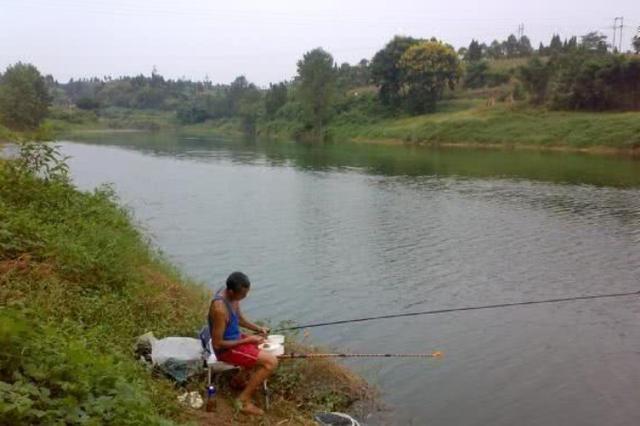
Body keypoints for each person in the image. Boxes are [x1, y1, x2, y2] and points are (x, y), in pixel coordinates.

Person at [209, 271, 278, 416]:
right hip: (226, 350)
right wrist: (248, 340)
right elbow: (217, 344)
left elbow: (239, 319)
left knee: (263, 342)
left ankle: (238, 381)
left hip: (236, 339)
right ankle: (243, 401)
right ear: (231, 291)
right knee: (271, 362)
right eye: (242, 294)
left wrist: (258, 329)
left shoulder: (232, 296)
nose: (245, 297)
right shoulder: (219, 309)